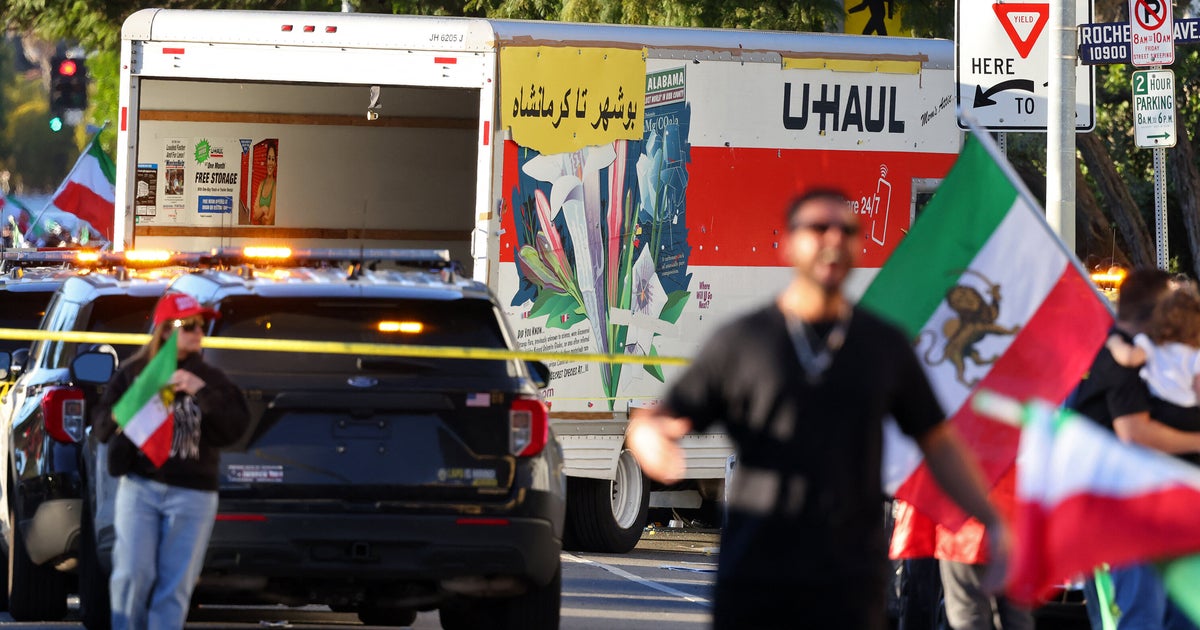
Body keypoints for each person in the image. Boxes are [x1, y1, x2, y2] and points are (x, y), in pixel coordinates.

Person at [626, 189, 1010, 630]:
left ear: (858, 246)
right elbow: (659, 419)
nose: (832, 239)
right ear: (789, 244)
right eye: (817, 228)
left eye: (846, 229)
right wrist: (650, 440)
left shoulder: (884, 346)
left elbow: (939, 444)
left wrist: (992, 520)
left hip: (848, 583)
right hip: (757, 578)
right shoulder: (745, 341)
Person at [92, 292, 250, 630]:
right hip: (141, 488)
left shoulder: (212, 378)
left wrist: (199, 390)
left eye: (202, 325)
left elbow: (235, 428)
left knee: (175, 586)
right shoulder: (136, 374)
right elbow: (103, 426)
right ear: (165, 331)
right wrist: (140, 401)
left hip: (193, 494)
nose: (198, 332)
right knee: (132, 575)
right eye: (189, 325)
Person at [1068, 268, 1200, 630]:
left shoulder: (1164, 352)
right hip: (1128, 510)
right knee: (1142, 616)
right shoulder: (1122, 355)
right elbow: (1135, 432)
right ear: (1153, 311)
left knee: (1182, 618)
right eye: (1173, 305)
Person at [1104, 280, 1200, 466]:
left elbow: (1129, 358)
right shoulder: (1195, 354)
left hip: (1158, 409)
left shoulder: (1149, 343)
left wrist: (1114, 342)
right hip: (1188, 411)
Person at [252, 143, 277, 225]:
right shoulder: (261, 185)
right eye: (269, 158)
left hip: (271, 236)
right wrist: (263, 209)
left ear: (275, 163)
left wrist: (260, 214)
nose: (270, 162)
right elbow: (255, 215)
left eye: (273, 159)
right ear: (266, 161)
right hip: (258, 233)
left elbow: (269, 220)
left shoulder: (276, 186)